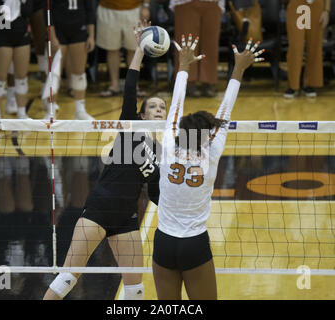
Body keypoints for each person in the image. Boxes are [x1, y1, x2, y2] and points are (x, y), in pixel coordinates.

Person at [43, 20, 166, 300]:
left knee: (135, 288)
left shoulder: (161, 154)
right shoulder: (130, 125)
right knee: (67, 277)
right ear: (142, 115)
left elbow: (157, 195)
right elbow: (131, 86)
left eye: (163, 107)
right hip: (99, 209)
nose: (158, 110)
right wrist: (139, 51)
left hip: (126, 217)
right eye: (153, 107)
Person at [152, 35, 264, 299]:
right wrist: (238, 68)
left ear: (180, 130)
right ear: (207, 136)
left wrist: (184, 64)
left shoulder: (168, 144)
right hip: (195, 245)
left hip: (164, 242)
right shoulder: (211, 152)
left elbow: (176, 103)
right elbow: (226, 109)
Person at [43, 0, 95, 120]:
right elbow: (48, 11)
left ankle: (80, 110)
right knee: (54, 72)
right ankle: (50, 111)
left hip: (79, 30)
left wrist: (91, 36)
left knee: (79, 72)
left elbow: (90, 11)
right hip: (58, 31)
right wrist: (52, 36)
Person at [169, 0, 225, 97]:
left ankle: (209, 81)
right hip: (185, 3)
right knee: (186, 43)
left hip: (213, 3)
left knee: (210, 44)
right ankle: (187, 81)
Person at [0, 0, 33, 119]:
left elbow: (29, 11)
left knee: (21, 76)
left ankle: (22, 113)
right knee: (0, 78)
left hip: (21, 36)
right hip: (3, 36)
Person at [97, 0, 150, 97]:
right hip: (107, 8)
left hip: (134, 8)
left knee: (134, 49)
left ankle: (133, 86)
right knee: (112, 49)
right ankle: (114, 85)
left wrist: (146, 6)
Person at [284, 0, 331, 98]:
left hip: (317, 5)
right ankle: (293, 85)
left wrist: (326, 11)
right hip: (297, 5)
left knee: (314, 46)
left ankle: (309, 84)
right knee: (296, 46)